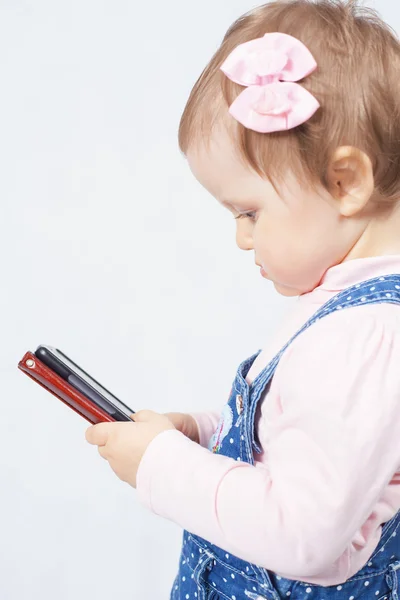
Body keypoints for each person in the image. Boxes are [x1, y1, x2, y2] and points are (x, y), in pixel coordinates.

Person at [85, 1, 400, 598]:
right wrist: (207, 434)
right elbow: (298, 439)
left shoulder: (360, 337)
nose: (241, 238)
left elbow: (305, 533)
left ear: (345, 183)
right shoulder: (345, 313)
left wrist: (162, 467)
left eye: (249, 212)